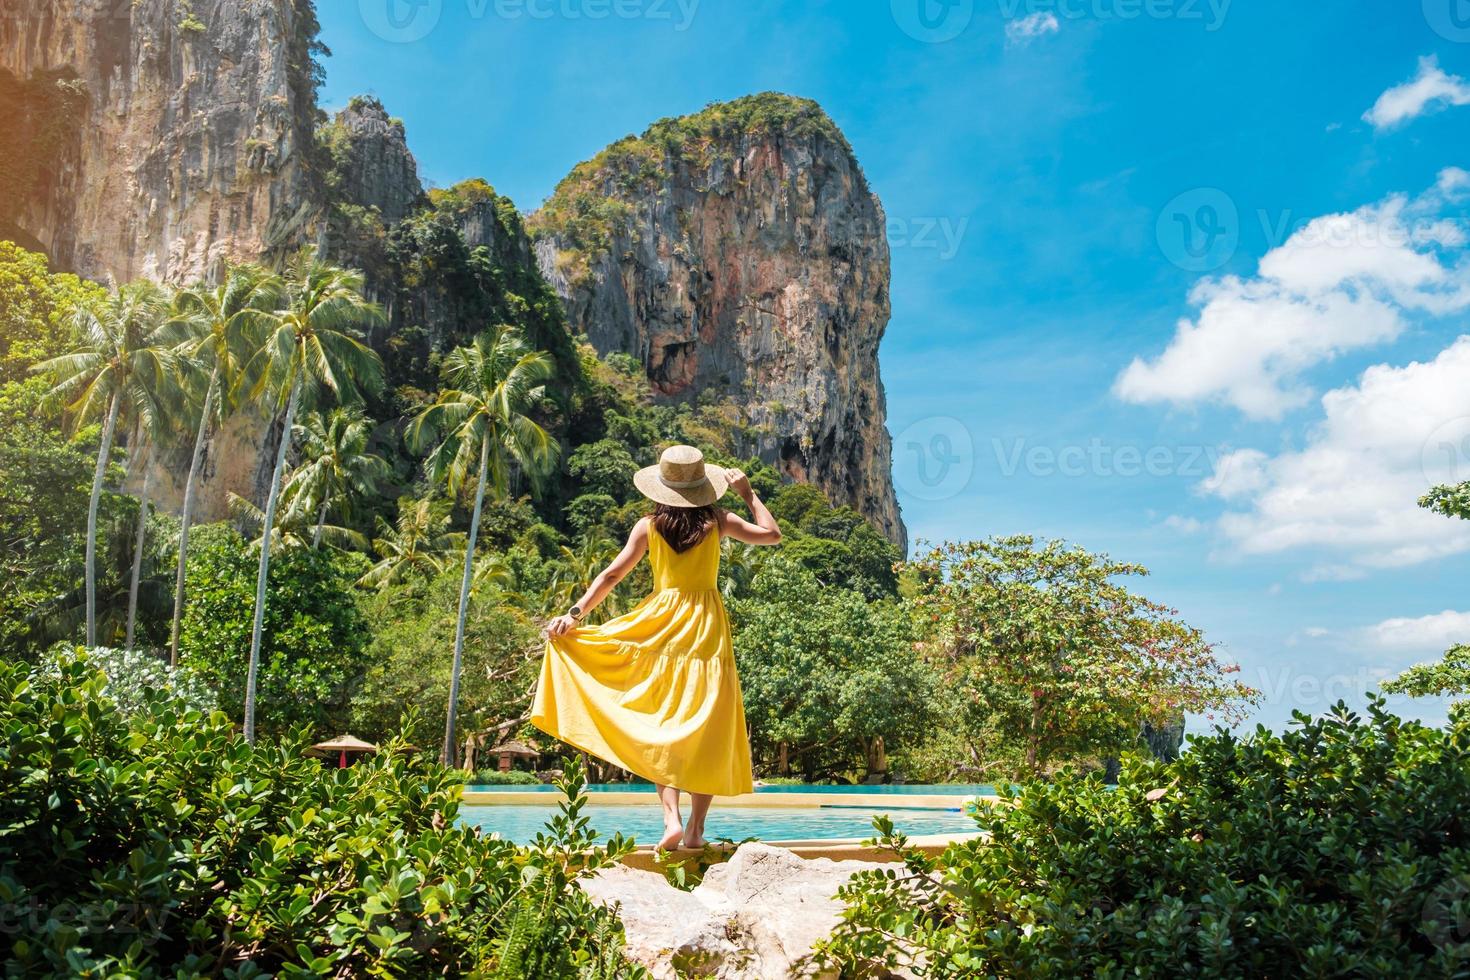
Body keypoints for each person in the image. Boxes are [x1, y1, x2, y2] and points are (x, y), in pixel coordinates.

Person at [531, 445, 783, 850]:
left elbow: (613, 574)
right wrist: (749, 495)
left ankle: (671, 820)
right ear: (704, 487)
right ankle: (697, 830)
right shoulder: (719, 520)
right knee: (708, 727)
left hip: (659, 626)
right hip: (706, 629)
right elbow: (772, 534)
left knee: (658, 721)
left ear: (661, 488)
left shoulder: (648, 526)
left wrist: (575, 615)